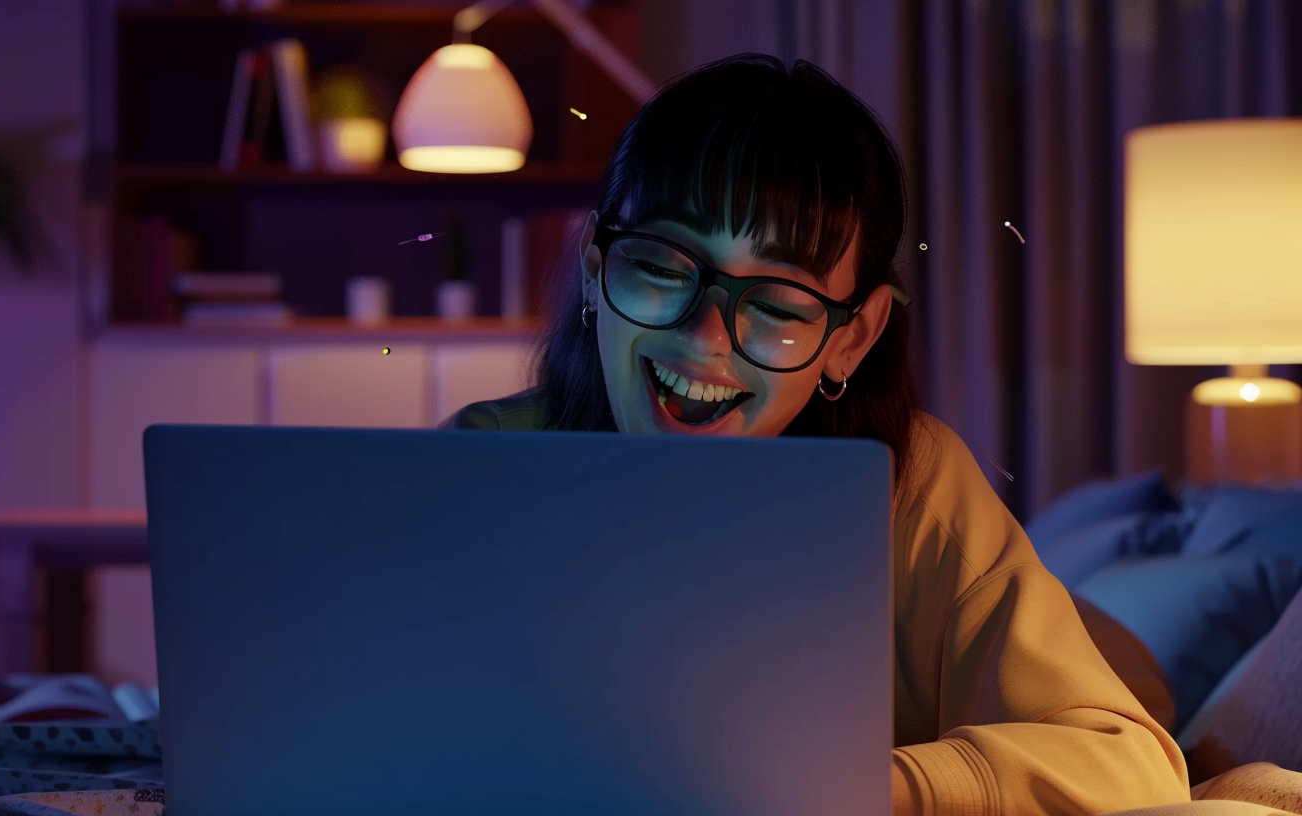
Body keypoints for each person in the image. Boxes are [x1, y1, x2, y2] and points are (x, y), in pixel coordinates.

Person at [442, 53, 1191, 816]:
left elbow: (1128, 764)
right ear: (597, 273)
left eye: (777, 303)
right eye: (663, 267)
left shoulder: (910, 485)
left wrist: (838, 788)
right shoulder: (480, 464)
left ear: (851, 339)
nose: (707, 338)